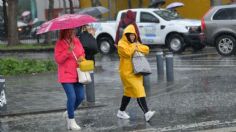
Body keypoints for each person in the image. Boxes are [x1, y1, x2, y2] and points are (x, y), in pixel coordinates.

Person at [117, 24, 155, 122]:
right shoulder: (121, 44)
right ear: (127, 35)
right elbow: (127, 53)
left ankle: (121, 111)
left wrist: (135, 46)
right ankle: (147, 113)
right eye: (131, 35)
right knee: (139, 90)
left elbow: (146, 49)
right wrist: (135, 46)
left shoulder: (134, 43)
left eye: (134, 35)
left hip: (136, 71)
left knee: (128, 93)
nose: (133, 37)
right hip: (126, 73)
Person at [54, 28, 85, 130]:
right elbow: (58, 60)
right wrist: (68, 51)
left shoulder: (76, 40)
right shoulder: (60, 43)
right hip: (66, 75)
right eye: (69, 31)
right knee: (72, 97)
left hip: (77, 74)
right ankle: (71, 120)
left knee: (80, 97)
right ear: (64, 32)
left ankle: (68, 112)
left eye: (73, 31)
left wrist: (82, 58)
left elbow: (82, 52)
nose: (72, 33)